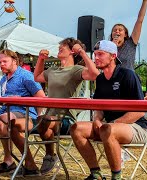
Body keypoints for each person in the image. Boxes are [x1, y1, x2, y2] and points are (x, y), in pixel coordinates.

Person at [70, 40, 147, 180]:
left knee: (107, 129)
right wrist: (96, 119)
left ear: (113, 56)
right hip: (109, 127)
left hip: (137, 127)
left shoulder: (128, 75)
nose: (96, 58)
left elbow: (140, 110)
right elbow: (99, 107)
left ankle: (116, 177)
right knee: (76, 128)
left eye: (100, 54)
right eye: (95, 54)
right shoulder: (100, 79)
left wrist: (112, 123)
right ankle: (96, 175)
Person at [34, 37, 100, 174]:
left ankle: (50, 155)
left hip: (66, 119)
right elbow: (37, 77)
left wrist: (82, 52)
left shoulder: (75, 70)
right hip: (49, 118)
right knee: (41, 121)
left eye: (63, 46)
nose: (60, 47)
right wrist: (40, 59)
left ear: (72, 51)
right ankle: (49, 155)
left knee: (43, 121)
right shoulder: (52, 70)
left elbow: (94, 75)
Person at [110, 0, 147, 70]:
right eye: (114, 30)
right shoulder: (107, 48)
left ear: (125, 34)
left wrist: (145, 1)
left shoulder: (130, 44)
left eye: (120, 30)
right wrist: (112, 47)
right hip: (113, 80)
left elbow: (139, 21)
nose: (117, 32)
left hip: (128, 79)